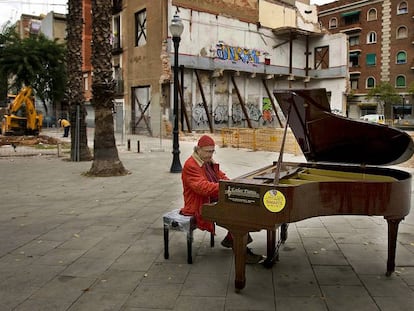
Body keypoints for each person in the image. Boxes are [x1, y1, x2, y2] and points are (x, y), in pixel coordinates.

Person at [180, 134, 264, 264]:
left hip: (211, 199)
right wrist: (225, 187)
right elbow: (202, 188)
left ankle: (233, 240)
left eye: (212, 151)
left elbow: (221, 176)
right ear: (198, 149)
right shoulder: (190, 165)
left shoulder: (208, 162)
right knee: (236, 214)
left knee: (240, 206)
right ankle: (240, 250)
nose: (210, 155)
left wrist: (232, 184)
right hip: (199, 204)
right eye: (207, 151)